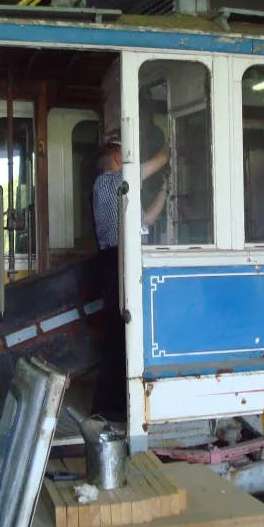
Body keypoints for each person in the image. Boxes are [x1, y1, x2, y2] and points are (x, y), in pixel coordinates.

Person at [90, 139, 169, 417]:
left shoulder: (114, 189)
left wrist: (164, 191)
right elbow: (159, 160)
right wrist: (172, 144)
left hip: (121, 260)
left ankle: (118, 405)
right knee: (119, 334)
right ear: (116, 156)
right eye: (124, 152)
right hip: (117, 260)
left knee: (123, 333)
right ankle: (109, 408)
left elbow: (145, 219)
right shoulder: (111, 181)